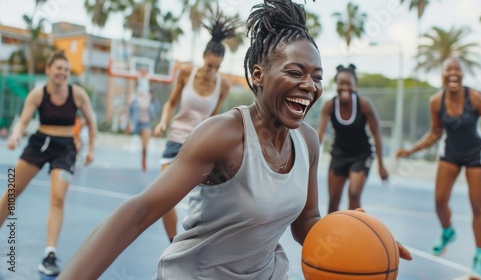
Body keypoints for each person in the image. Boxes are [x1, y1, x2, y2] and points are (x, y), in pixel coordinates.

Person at [58, 1, 411, 279]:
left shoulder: (307, 141)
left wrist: (360, 235)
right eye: (295, 72)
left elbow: (306, 222)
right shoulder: (223, 135)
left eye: (317, 77)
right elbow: (139, 212)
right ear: (258, 74)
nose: (310, 86)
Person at [396, 57, 481, 279]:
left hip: (476, 156)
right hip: (451, 153)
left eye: (457, 69)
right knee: (440, 201)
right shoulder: (436, 101)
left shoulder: (475, 98)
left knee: (477, 205)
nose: (453, 73)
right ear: (442, 74)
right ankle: (448, 230)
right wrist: (410, 151)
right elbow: (435, 133)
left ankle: (479, 257)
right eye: (448, 69)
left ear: (462, 74)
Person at [1, 52, 96, 276]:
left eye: (66, 69)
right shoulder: (37, 94)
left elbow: (92, 123)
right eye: (59, 68)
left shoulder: (78, 94)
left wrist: (91, 149)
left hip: (65, 149)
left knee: (57, 198)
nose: (63, 72)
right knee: (11, 193)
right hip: (39, 144)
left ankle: (49, 254)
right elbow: (22, 123)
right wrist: (15, 137)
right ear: (48, 70)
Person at [153, 8, 236, 243]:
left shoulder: (223, 85)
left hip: (201, 144)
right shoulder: (186, 73)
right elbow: (170, 103)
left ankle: (201, 244)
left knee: (215, 198)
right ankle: (173, 243)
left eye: (217, 67)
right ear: (204, 57)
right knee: (162, 198)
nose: (212, 71)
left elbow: (215, 117)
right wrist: (162, 121)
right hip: (176, 139)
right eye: (210, 65)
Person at [317, 64, 388, 213]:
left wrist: (381, 165)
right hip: (339, 155)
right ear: (336, 85)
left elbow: (377, 134)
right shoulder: (329, 106)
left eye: (348, 83)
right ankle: (332, 234)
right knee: (333, 201)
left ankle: (354, 233)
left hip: (361, 155)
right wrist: (308, 159)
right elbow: (320, 135)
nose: (345, 87)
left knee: (354, 194)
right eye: (341, 83)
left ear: (355, 86)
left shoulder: (364, 105)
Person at [124, 64, 160, 172]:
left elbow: (156, 108)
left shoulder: (151, 98)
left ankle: (143, 159)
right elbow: (129, 110)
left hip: (146, 123)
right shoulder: (135, 97)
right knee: (127, 132)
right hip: (136, 122)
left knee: (145, 146)